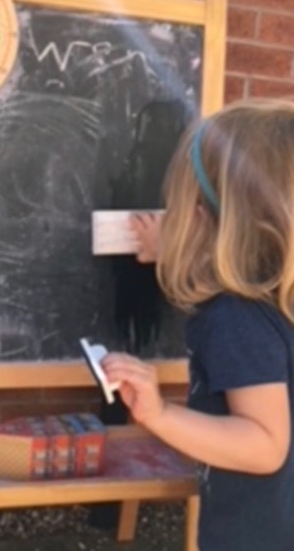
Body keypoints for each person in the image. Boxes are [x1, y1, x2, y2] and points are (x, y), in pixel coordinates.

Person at [101, 97, 294, 551]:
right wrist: (173, 252)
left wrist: (160, 414)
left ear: (203, 220)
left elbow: (265, 445)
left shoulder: (233, 318)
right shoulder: (274, 296)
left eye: (178, 204)